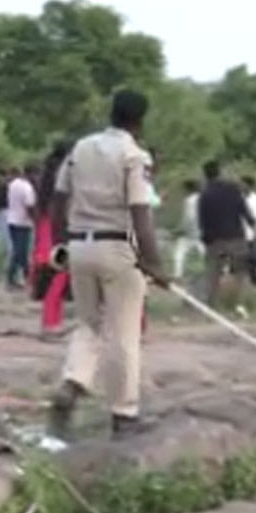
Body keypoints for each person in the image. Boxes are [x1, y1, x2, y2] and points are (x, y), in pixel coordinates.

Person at [47, 90, 167, 440]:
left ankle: (73, 380)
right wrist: (154, 262)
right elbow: (140, 212)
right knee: (123, 333)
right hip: (117, 248)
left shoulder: (80, 148)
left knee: (88, 324)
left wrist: (62, 242)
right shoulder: (134, 156)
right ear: (139, 121)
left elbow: (58, 199)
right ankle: (123, 414)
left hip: (79, 246)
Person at [198, 159, 256, 306]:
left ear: (205, 175)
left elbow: (203, 220)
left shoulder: (205, 194)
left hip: (215, 241)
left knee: (213, 273)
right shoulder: (233, 189)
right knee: (240, 272)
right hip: (236, 237)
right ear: (220, 172)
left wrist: (206, 239)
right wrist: (253, 226)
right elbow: (244, 210)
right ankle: (238, 303)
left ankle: (212, 304)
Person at [32, 144, 73, 336]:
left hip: (48, 228)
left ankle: (51, 320)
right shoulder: (62, 175)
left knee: (57, 275)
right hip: (56, 230)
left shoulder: (49, 175)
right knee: (60, 274)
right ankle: (50, 322)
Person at [6, 165, 37, 289]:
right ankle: (12, 277)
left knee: (20, 251)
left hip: (12, 221)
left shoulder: (13, 184)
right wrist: (35, 220)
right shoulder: (27, 187)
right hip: (23, 222)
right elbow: (29, 206)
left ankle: (27, 276)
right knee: (20, 252)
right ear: (31, 174)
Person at [172, 179, 204, 278]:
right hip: (203, 231)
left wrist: (180, 230)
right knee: (205, 252)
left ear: (188, 189)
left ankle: (177, 274)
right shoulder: (204, 198)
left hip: (191, 233)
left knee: (179, 252)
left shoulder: (189, 200)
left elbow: (188, 217)